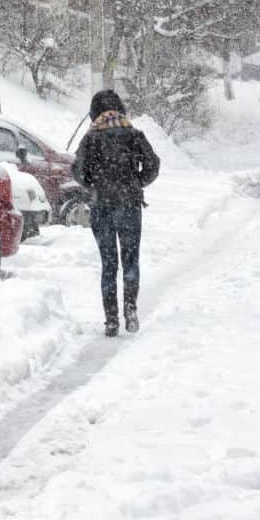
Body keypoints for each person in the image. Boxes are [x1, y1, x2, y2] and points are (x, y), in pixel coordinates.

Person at [73, 90, 161, 337]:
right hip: (130, 205)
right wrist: (137, 183)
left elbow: (78, 171)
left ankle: (111, 319)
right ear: (120, 108)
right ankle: (130, 309)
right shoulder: (134, 134)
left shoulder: (91, 138)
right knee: (130, 260)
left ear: (94, 112)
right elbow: (153, 164)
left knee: (109, 263)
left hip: (102, 207)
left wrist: (94, 184)